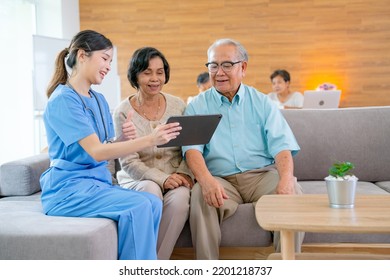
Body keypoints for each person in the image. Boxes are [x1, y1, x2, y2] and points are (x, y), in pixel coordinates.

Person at [39, 30, 181, 260]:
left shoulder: (98, 99)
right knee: (139, 207)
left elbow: (104, 146)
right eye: (104, 59)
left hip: (97, 184)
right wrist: (150, 139)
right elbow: (96, 152)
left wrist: (123, 141)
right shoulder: (64, 100)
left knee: (153, 203)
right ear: (83, 55)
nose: (108, 66)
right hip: (68, 190)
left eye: (110, 61)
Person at [183, 38, 304, 259]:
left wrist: (286, 179)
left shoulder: (262, 103)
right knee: (201, 193)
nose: (219, 72)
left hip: (260, 176)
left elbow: (282, 146)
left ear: (243, 68)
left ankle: (286, 267)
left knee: (292, 191)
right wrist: (207, 181)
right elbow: (192, 150)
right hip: (221, 180)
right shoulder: (197, 106)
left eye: (227, 65)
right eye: (213, 65)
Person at [113, 47, 193, 260]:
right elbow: (128, 161)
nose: (155, 78)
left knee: (181, 198)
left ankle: (153, 264)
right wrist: (162, 179)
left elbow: (189, 149)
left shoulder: (178, 105)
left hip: (176, 176)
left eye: (160, 72)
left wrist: (184, 174)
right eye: (147, 72)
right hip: (137, 179)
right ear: (135, 75)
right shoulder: (122, 111)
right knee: (151, 191)